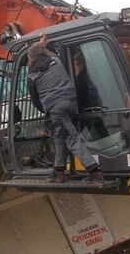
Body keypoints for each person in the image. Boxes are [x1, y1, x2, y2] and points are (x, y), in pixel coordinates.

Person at [26, 42, 103, 183]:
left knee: (72, 138)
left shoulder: (31, 76)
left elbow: (35, 100)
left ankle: (94, 171)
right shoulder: (56, 60)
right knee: (60, 136)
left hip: (56, 108)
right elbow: (51, 51)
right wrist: (44, 42)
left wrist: (47, 111)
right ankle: (59, 171)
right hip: (71, 102)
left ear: (31, 58)